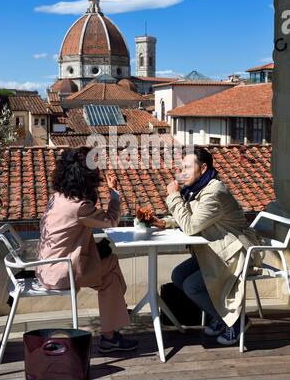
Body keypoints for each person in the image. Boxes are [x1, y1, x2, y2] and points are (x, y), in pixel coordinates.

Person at [157, 146, 263, 346]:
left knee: (191, 285)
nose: (182, 173)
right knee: (178, 275)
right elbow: (193, 217)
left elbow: (190, 225)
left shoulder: (214, 191)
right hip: (216, 250)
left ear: (203, 168)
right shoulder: (198, 189)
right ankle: (220, 317)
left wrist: (173, 196)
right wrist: (166, 222)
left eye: (187, 168)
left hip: (235, 252)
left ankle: (237, 322)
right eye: (181, 168)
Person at [36, 147, 137, 353]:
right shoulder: (80, 206)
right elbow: (111, 221)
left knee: (110, 270)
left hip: (46, 266)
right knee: (110, 275)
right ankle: (110, 334)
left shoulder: (57, 198)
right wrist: (114, 194)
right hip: (62, 272)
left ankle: (115, 316)